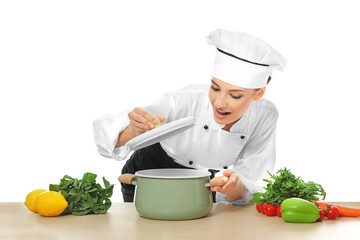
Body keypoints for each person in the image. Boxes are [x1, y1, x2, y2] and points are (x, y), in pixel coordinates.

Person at [93, 28, 287, 205]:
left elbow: (252, 178)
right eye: (215, 87)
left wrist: (236, 188)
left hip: (200, 182)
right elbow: (106, 133)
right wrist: (134, 130)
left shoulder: (265, 116)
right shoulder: (184, 101)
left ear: (259, 93)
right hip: (148, 173)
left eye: (235, 95)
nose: (219, 103)